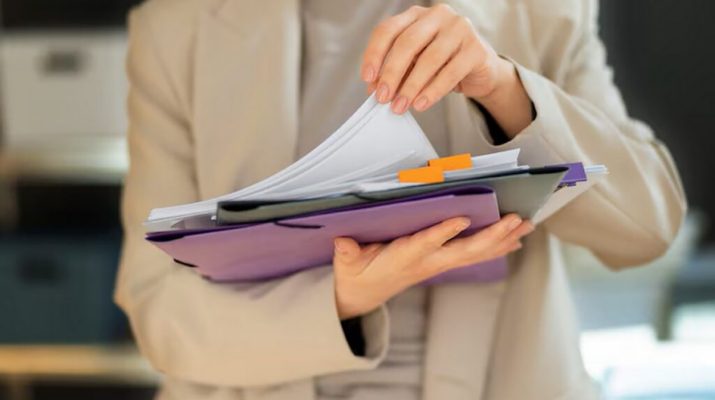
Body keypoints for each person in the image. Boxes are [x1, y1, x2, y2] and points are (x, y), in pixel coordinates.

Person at [115, 0, 687, 399]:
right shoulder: (175, 31)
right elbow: (159, 311)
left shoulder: (538, 10)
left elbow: (648, 229)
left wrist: (502, 88)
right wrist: (343, 298)